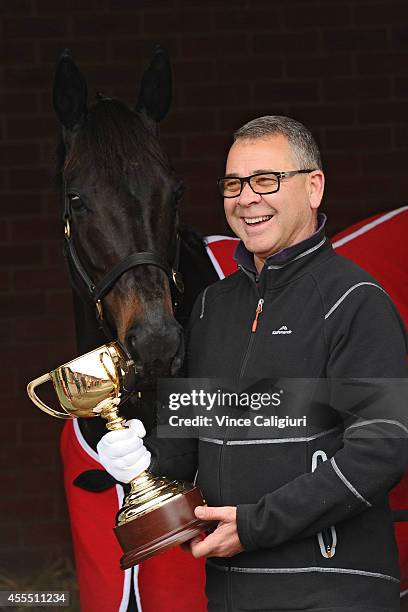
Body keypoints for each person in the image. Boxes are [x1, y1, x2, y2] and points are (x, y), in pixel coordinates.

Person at [97, 116, 408, 611]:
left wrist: (254, 526)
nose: (247, 198)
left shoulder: (354, 302)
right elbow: (186, 442)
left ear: (313, 188)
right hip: (231, 594)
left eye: (266, 180)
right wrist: (141, 462)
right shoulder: (210, 308)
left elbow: (381, 451)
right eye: (233, 184)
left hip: (335, 593)